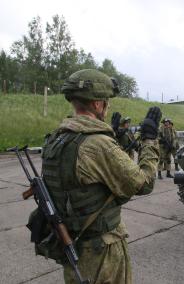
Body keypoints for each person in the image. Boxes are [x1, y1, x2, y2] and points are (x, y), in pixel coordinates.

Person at [41, 69, 161, 283]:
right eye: (106, 102)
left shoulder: (57, 139)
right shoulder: (97, 144)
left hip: (73, 246)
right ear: (97, 104)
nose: (107, 107)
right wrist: (150, 141)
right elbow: (144, 183)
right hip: (102, 253)